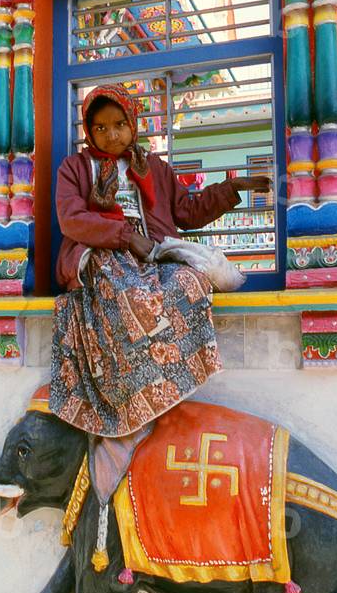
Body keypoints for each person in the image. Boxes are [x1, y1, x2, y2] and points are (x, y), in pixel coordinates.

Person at [51, 84, 270, 565]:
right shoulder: (76, 169)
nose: (110, 134)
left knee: (190, 286)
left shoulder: (154, 169)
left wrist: (231, 189)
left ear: (134, 124)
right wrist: (124, 236)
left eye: (119, 124)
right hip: (102, 256)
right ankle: (126, 414)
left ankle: (155, 401)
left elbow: (186, 211)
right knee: (127, 295)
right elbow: (71, 218)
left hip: (155, 257)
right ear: (88, 130)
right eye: (99, 126)